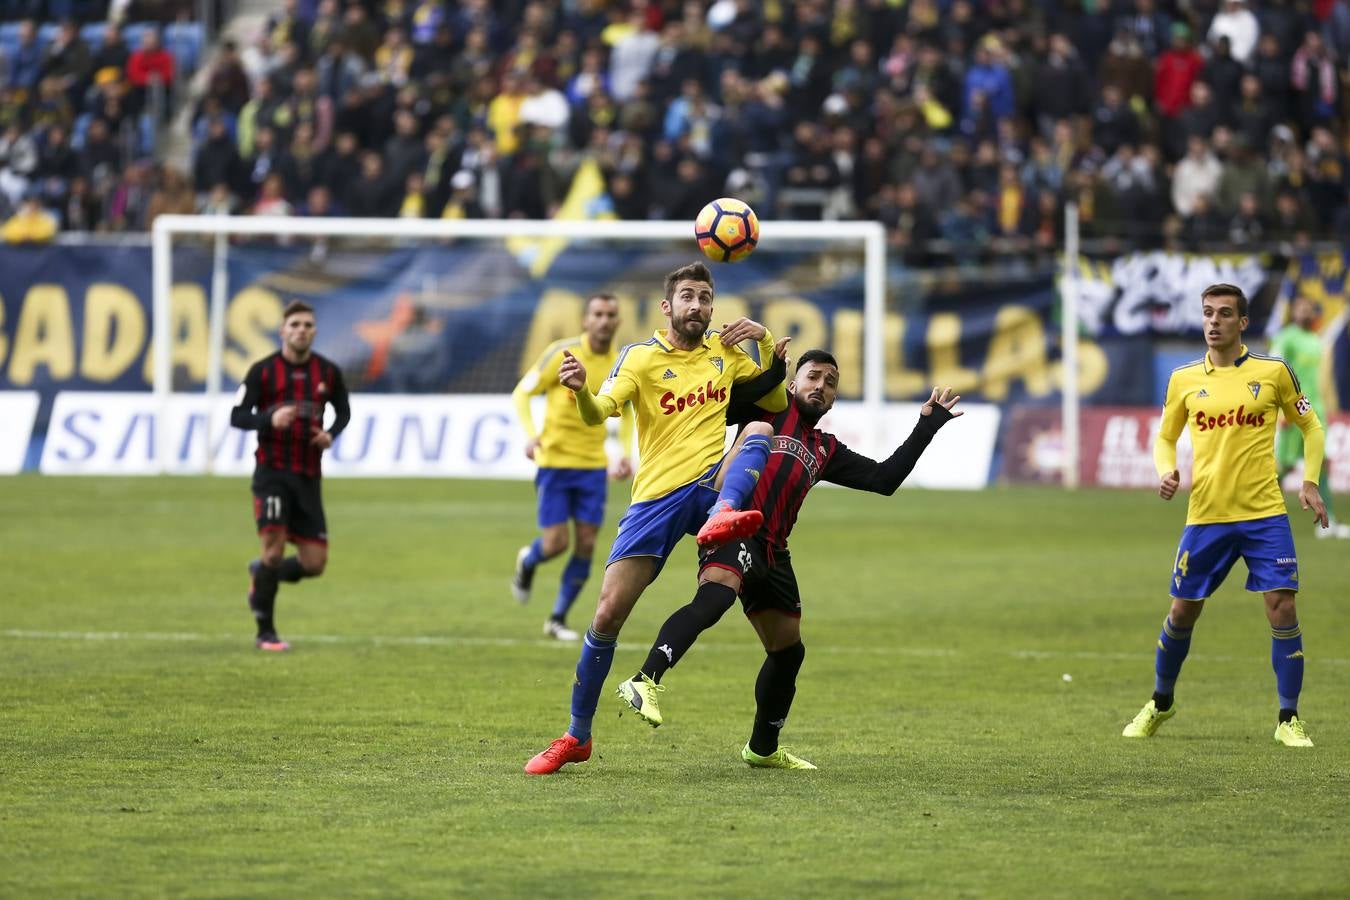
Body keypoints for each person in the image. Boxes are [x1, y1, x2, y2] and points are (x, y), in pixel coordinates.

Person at [616, 348, 962, 769]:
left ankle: (762, 748)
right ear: (794, 385)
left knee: (788, 651)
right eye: (813, 377)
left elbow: (884, 480)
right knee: (716, 597)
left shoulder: (825, 448)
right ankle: (644, 679)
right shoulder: (764, 412)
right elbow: (726, 393)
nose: (821, 386)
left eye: (830, 382)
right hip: (733, 527)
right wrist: (771, 363)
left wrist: (927, 426)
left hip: (773, 552)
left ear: (834, 398)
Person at [524, 261, 787, 775]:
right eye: (688, 297)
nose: (698, 306)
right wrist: (579, 388)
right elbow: (600, 413)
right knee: (605, 616)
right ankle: (577, 736)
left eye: (706, 298)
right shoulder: (640, 359)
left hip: (713, 483)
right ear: (668, 306)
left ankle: (725, 512)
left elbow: (775, 400)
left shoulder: (727, 352)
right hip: (657, 498)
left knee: (758, 430)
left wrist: (764, 338)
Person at [1122, 283, 1327, 747]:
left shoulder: (1274, 372)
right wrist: (1165, 471)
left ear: (1242, 323)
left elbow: (1311, 426)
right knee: (1182, 610)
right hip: (1207, 516)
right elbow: (1165, 438)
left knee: (1283, 606)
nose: (1214, 322)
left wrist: (1309, 481)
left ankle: (1288, 718)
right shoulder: (1183, 380)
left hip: (1265, 514)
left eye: (1224, 314)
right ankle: (1160, 701)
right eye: (1208, 313)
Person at [510, 294, 635, 640]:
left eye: (611, 314)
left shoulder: (622, 362)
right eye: (598, 314)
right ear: (585, 320)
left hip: (593, 467)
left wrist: (624, 452)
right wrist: (532, 435)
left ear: (618, 321)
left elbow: (626, 411)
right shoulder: (561, 354)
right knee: (555, 544)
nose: (604, 320)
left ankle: (557, 619)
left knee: (586, 543)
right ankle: (529, 561)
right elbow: (522, 394)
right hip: (555, 463)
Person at [230, 300, 351, 651]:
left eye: (308, 325)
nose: (301, 330)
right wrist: (269, 418)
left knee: (315, 563)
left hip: (309, 477)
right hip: (272, 474)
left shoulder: (328, 373)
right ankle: (265, 633)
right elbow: (237, 416)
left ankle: (261, 574)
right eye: (295, 324)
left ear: (314, 331)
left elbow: (344, 411)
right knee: (272, 551)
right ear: (282, 331)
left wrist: (331, 433)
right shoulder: (262, 371)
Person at [1270, 296, 1349, 538]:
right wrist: (1280, 409)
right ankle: (1262, 515)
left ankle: (1328, 522)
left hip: (1316, 413)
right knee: (1285, 465)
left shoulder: (1316, 340)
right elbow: (1274, 370)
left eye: (1308, 309)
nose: (1304, 312)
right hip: (1292, 411)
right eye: (1300, 308)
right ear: (1293, 312)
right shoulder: (1286, 339)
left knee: (1323, 463)